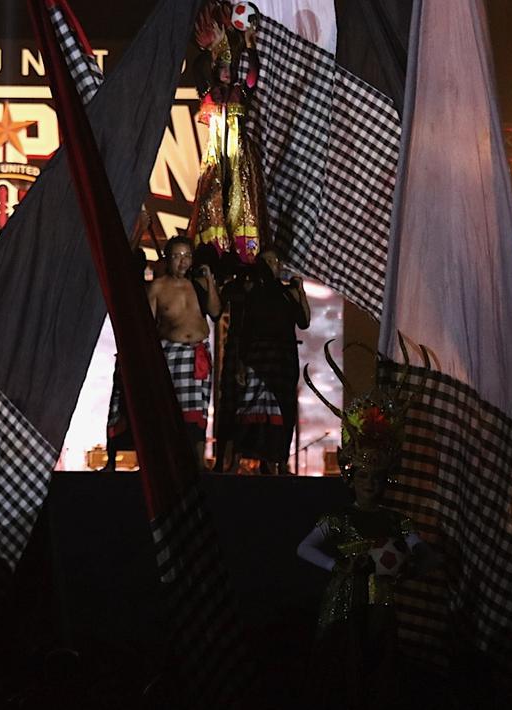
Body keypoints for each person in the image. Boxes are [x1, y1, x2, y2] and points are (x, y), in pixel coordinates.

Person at [296, 382, 432, 709]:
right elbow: (304, 548)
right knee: (341, 661)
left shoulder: (395, 519)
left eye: (377, 478)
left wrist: (414, 565)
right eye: (363, 477)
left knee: (379, 661)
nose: (370, 484)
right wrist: (338, 566)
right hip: (344, 599)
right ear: (351, 479)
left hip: (382, 599)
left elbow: (422, 551)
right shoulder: (339, 517)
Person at [107, 236, 221, 467]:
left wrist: (210, 282)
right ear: (167, 259)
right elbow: (147, 325)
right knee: (168, 411)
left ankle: (198, 463)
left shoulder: (198, 285)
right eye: (177, 257)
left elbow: (215, 312)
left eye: (187, 256)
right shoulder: (157, 287)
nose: (183, 262)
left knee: (198, 414)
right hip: (172, 354)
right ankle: (163, 463)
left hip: (197, 353)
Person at [186, 1, 267, 265]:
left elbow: (254, 75)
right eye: (221, 65)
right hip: (216, 155)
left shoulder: (239, 92)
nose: (225, 70)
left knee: (240, 201)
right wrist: (211, 50)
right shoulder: (209, 93)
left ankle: (244, 252)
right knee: (213, 198)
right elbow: (198, 69)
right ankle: (214, 248)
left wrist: (250, 44)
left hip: (238, 155)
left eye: (229, 68)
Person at [229, 248, 310, 473]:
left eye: (274, 261)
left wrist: (300, 292)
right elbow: (244, 330)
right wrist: (241, 363)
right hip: (258, 356)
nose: (270, 265)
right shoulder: (252, 292)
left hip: (282, 358)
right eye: (266, 261)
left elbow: (304, 322)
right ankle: (240, 459)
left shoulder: (287, 293)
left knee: (284, 410)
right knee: (250, 407)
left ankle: (281, 461)